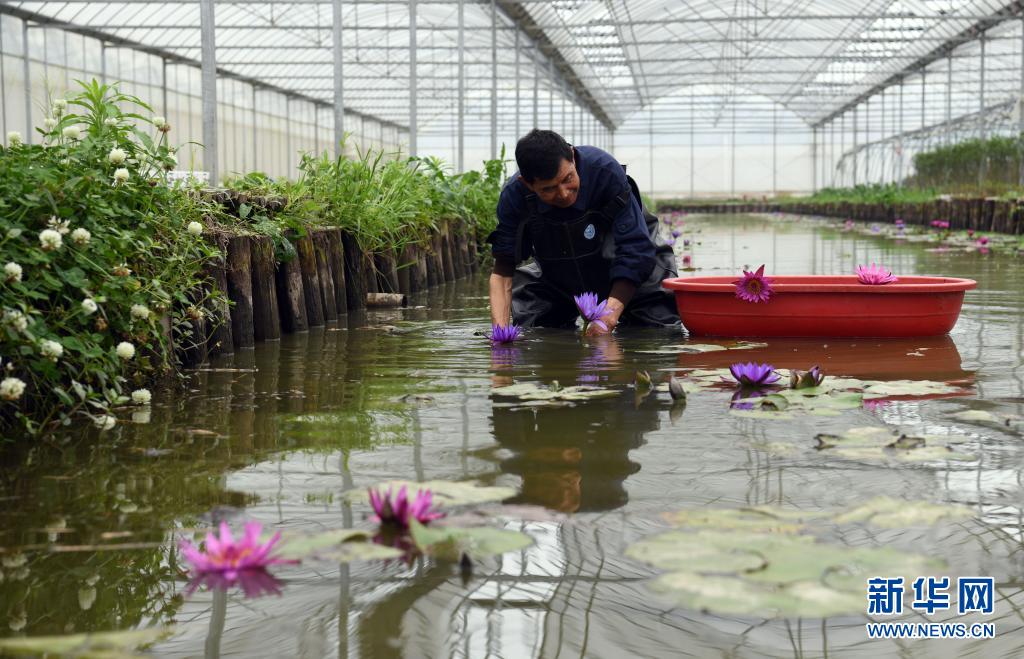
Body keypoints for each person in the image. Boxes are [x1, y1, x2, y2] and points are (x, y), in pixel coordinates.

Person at [487, 129, 679, 335]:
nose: (563, 194)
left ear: (573, 156)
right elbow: (502, 273)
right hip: (559, 278)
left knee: (656, 335)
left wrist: (608, 316)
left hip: (635, 272)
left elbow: (635, 250)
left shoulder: (605, 171)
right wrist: (500, 338)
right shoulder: (514, 197)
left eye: (567, 178)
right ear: (527, 184)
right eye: (548, 189)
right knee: (538, 333)